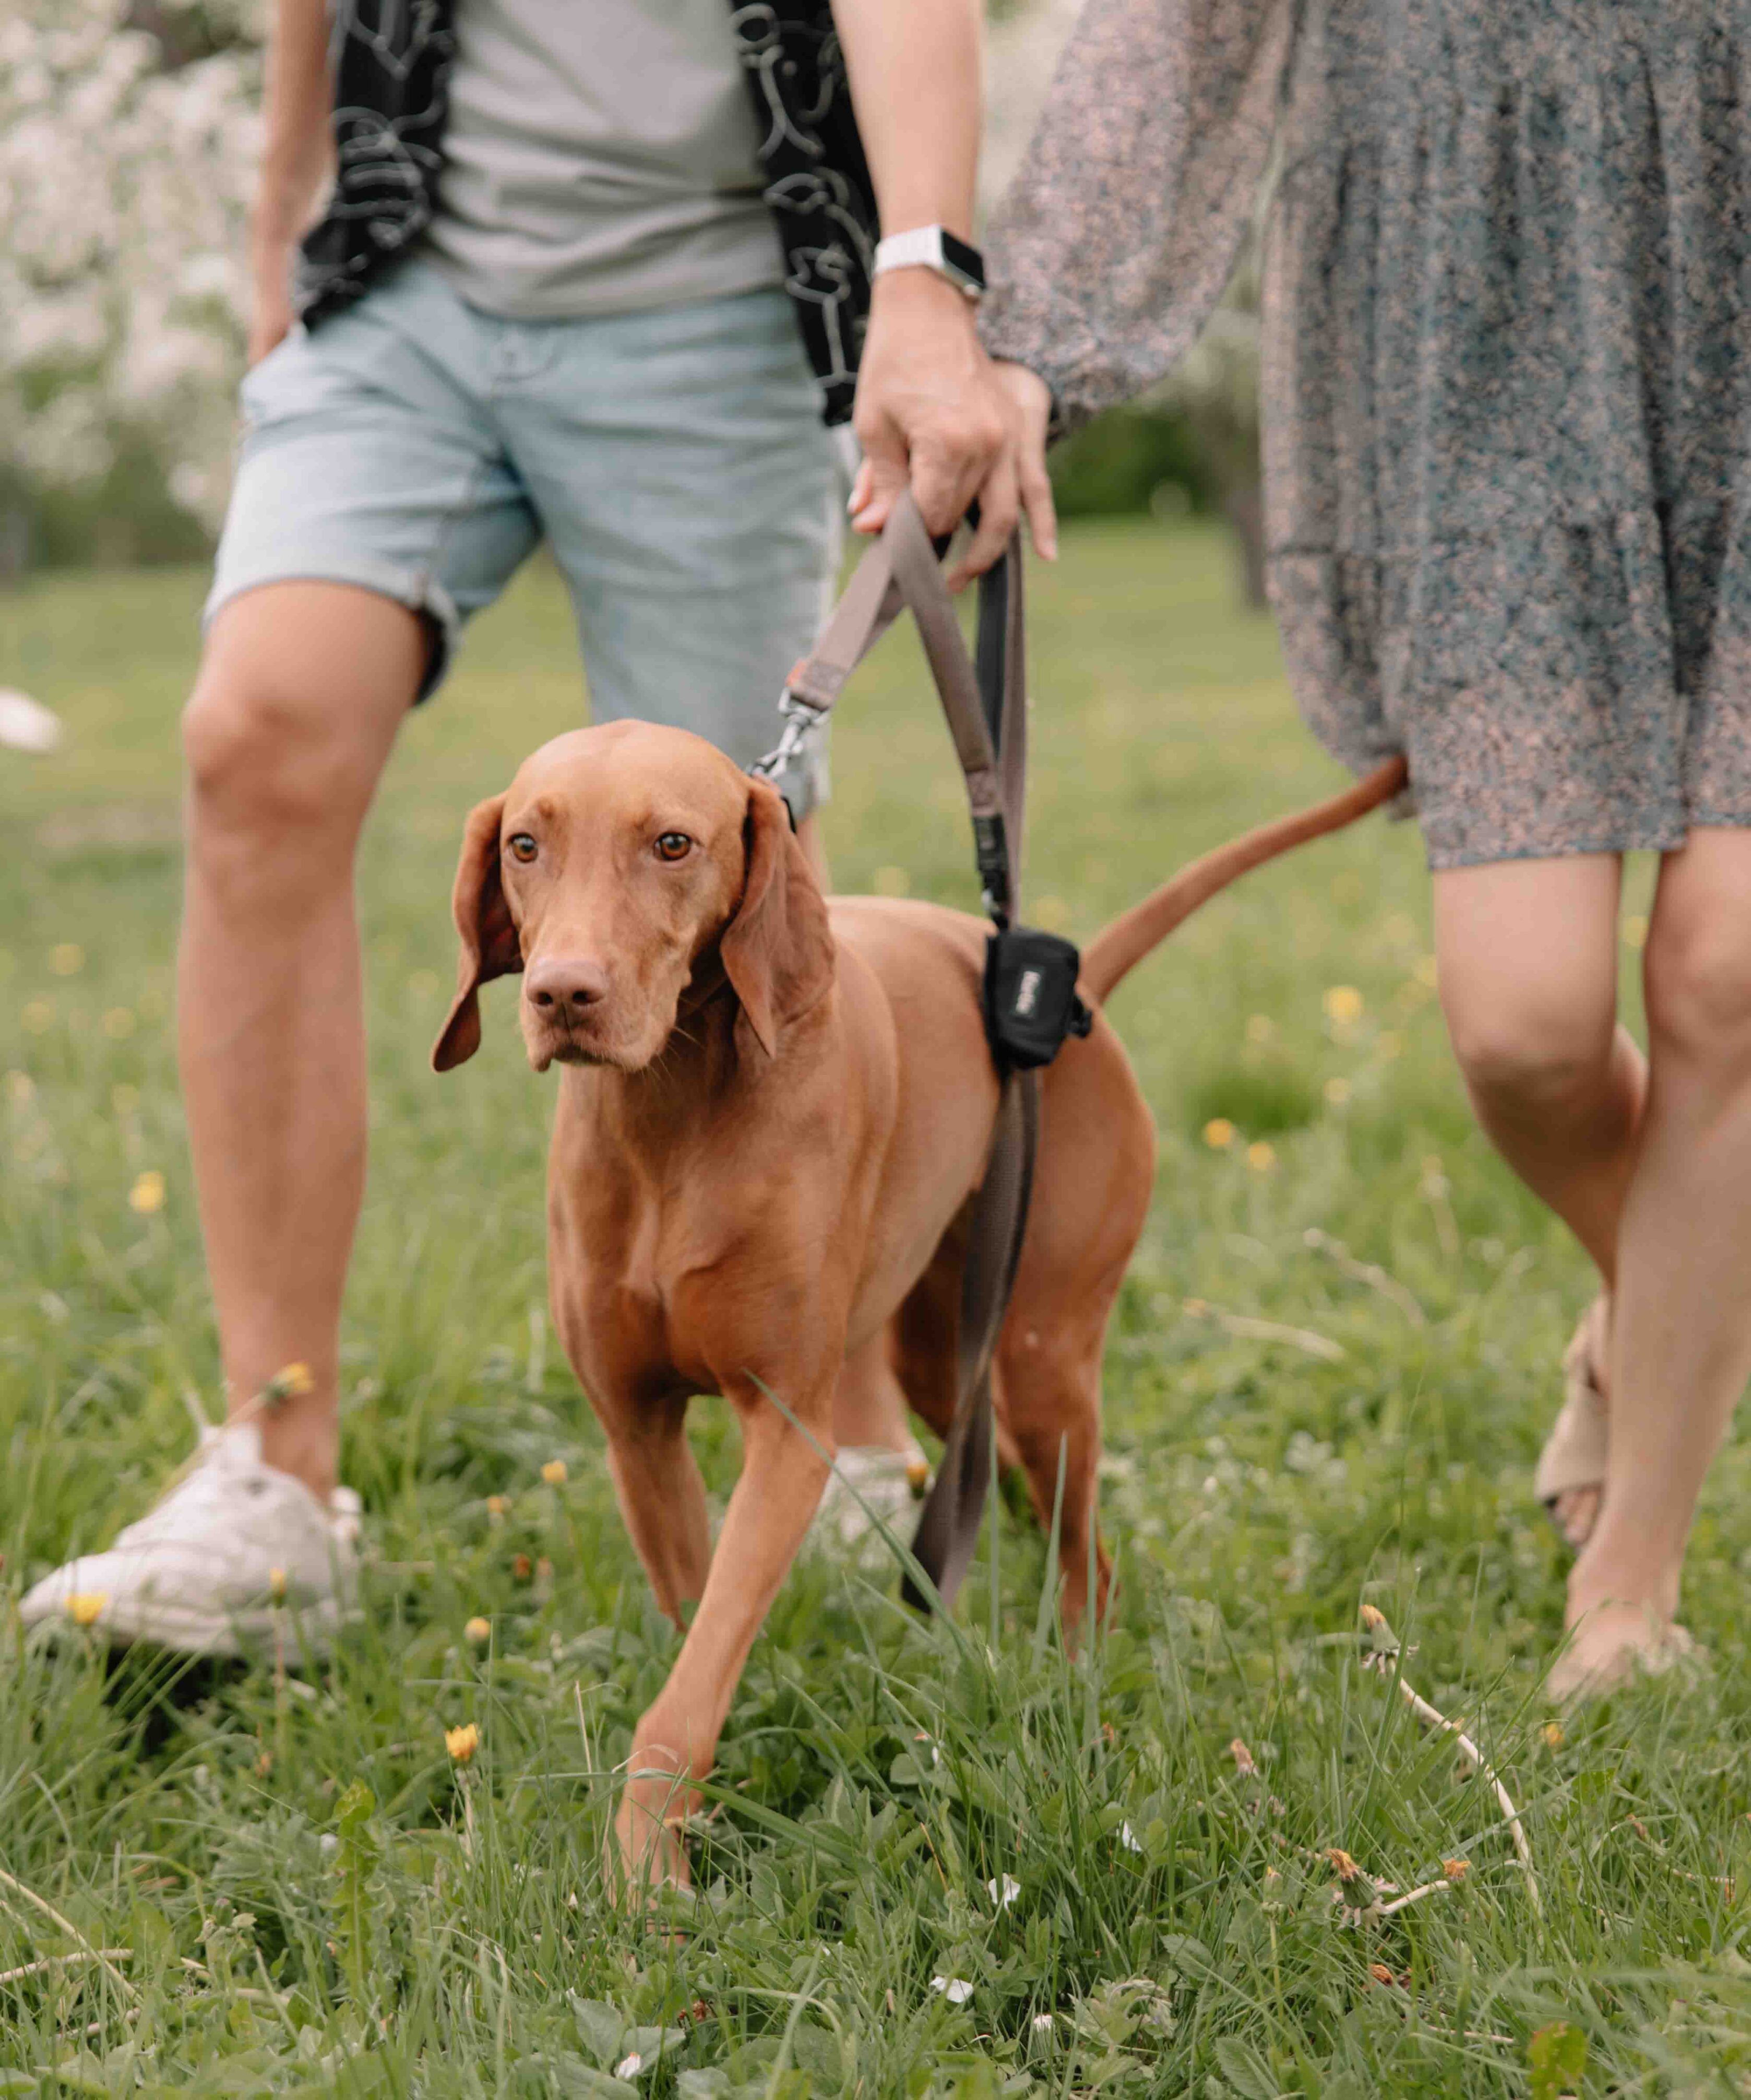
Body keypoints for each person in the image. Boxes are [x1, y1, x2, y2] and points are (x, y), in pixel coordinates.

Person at [23, 0, 1022, 1654]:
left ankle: (831, 1409)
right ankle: (274, 1472)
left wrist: (920, 279)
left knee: (734, 832)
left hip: (710, 294)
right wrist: (283, 230)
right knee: (255, 740)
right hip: (403, 275)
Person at [981, 0, 1751, 1694]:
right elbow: (1178, 32)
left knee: (1727, 972)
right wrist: (1027, 339)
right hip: (1483, 340)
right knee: (1525, 1025)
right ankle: (1657, 1319)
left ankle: (1629, 1585)